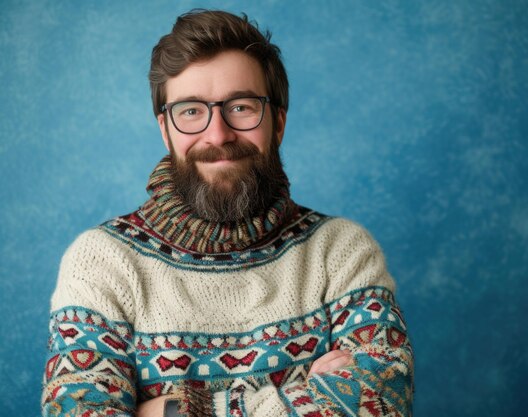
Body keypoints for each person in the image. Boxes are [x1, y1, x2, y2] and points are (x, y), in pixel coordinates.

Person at [41, 9, 413, 417]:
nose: (218, 134)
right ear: (165, 130)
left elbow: (382, 403)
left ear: (279, 123)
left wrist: (164, 411)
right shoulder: (102, 262)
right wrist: (307, 396)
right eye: (191, 111)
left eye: (240, 107)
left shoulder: (341, 251)